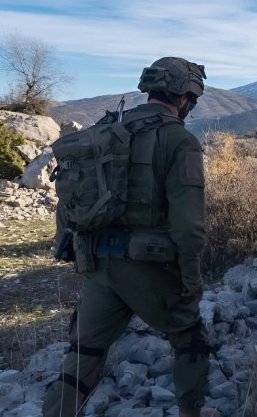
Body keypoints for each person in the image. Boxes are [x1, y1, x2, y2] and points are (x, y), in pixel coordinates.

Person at [43, 57, 214, 417]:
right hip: (148, 266)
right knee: (190, 336)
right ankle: (191, 412)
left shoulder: (109, 130)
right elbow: (189, 224)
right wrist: (191, 276)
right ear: (184, 98)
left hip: (99, 265)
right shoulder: (179, 140)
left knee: (84, 352)